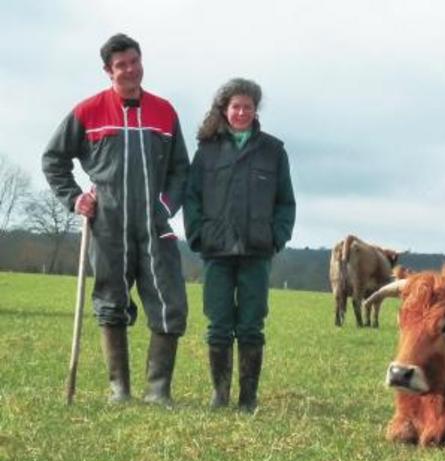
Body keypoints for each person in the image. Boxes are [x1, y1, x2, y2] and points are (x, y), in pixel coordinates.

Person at [42, 33, 189, 405]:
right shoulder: (87, 111)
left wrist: (166, 206)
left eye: (134, 61)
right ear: (108, 71)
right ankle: (119, 390)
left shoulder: (165, 111)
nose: (129, 69)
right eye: (120, 65)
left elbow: (180, 169)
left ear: (142, 62)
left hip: (155, 226)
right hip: (107, 226)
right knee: (110, 302)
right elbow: (53, 159)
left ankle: (158, 391)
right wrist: (75, 198)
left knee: (170, 303)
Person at [184, 78, 296, 413]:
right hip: (216, 252)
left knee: (250, 326)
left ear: (255, 110)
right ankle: (220, 396)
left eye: (248, 106)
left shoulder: (273, 151)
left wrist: (276, 236)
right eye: (236, 106)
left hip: (256, 252)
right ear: (225, 109)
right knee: (218, 325)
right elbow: (192, 199)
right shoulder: (206, 150)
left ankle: (248, 399)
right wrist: (198, 235)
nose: (242, 112)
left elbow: (285, 203)